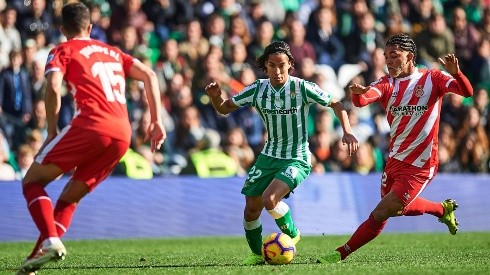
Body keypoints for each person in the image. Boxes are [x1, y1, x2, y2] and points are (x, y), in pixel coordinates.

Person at [16, 3, 166, 274]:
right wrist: (156, 120)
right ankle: (35, 259)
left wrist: (51, 129)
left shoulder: (62, 50)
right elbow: (150, 75)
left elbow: (51, 86)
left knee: (32, 182)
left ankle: (50, 240)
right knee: (69, 199)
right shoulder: (113, 52)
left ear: (63, 30)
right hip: (122, 133)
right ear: (90, 27)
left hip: (90, 125)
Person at [317, 33, 474, 264]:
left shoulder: (433, 78)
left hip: (421, 164)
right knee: (397, 209)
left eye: (394, 55)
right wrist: (357, 94)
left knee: (382, 211)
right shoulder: (387, 83)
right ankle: (442, 210)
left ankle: (341, 252)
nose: (388, 61)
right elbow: (364, 100)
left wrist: (456, 73)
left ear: (410, 56)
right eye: (385, 56)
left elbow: (467, 92)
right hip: (395, 158)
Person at [205, 41, 359, 266]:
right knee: (251, 208)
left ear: (290, 65)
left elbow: (336, 104)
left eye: (282, 65)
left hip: (297, 157)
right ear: (265, 67)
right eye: (272, 66)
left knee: (269, 199)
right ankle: (258, 254)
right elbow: (224, 108)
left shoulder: (301, 87)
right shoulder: (258, 89)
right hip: (269, 156)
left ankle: (293, 232)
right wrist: (216, 96)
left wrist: (347, 131)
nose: (277, 71)